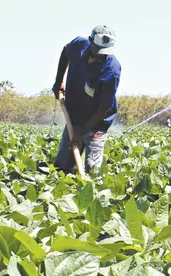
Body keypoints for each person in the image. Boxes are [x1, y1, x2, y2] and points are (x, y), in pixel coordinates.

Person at [52, 26, 121, 174]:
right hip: (74, 116)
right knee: (61, 166)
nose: (101, 56)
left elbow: (103, 108)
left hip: (97, 122)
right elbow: (66, 52)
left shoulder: (112, 70)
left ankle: (89, 185)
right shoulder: (79, 45)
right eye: (98, 51)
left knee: (92, 170)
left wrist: (81, 132)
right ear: (90, 42)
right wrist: (58, 82)